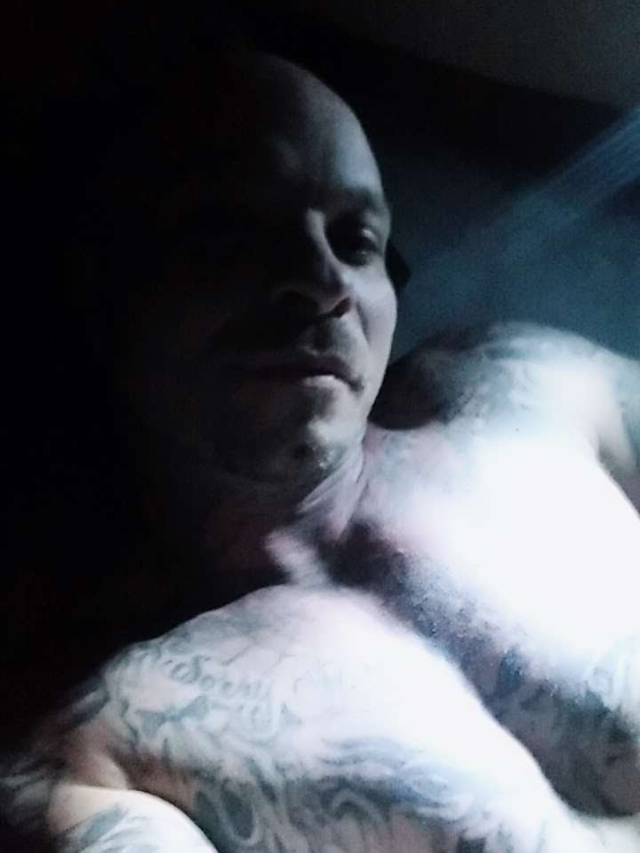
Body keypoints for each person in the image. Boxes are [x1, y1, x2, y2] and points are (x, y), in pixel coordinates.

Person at [3, 50, 640, 853]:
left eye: (356, 238)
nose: (320, 279)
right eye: (231, 230)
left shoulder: (530, 390)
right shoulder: (88, 743)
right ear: (105, 286)